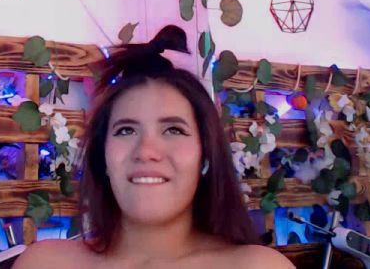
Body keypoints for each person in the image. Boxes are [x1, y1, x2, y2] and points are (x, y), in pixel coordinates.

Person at [15, 25, 294, 269]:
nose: (146, 151)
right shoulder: (44, 263)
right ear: (103, 157)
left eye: (174, 130)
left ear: (205, 156)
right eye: (126, 130)